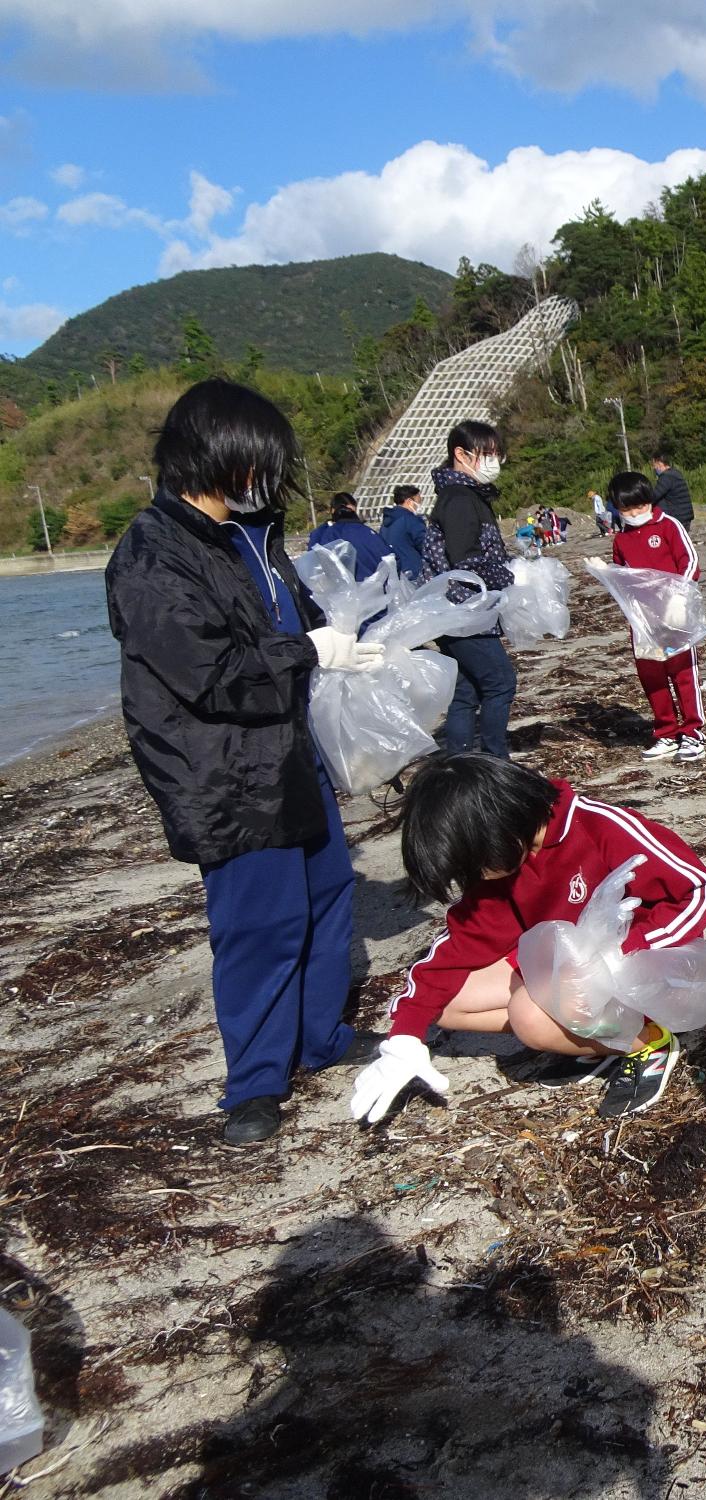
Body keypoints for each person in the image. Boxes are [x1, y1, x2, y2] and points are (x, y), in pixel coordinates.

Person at [106, 379, 386, 1145]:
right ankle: (255, 1082)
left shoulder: (251, 535)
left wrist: (347, 644)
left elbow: (296, 620)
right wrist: (305, 651)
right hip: (224, 769)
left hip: (290, 748)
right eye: (255, 463)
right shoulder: (153, 551)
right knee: (260, 922)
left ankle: (319, 1036)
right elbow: (206, 670)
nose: (266, 479)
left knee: (328, 892)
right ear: (214, 456)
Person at [354, 754, 706, 1123]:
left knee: (529, 1016)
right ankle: (599, 1040)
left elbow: (699, 888)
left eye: (473, 862)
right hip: (568, 966)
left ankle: (648, 1041)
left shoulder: (599, 826)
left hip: (647, 970)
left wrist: (622, 954)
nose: (474, 875)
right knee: (447, 1003)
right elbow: (457, 947)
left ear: (497, 825)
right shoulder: (499, 868)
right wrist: (405, 1034)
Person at [421, 420, 518, 758]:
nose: (493, 461)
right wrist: (511, 576)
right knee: (500, 683)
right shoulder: (460, 498)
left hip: (454, 613)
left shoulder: (460, 495)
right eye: (485, 454)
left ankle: (460, 763)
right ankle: (495, 761)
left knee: (466, 691)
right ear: (459, 454)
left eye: (496, 454)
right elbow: (465, 559)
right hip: (464, 611)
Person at [606, 470, 705, 763]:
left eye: (640, 506)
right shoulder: (621, 540)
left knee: (683, 673)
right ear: (618, 509)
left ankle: (693, 733)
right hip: (642, 620)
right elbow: (621, 577)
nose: (635, 513)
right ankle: (666, 732)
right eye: (627, 509)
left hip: (674, 614)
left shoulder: (668, 526)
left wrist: (678, 596)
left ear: (650, 501)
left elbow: (691, 563)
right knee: (653, 677)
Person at [307, 492, 395, 580]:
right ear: (333, 510)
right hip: (344, 587)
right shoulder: (321, 534)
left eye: (352, 511)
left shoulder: (363, 531)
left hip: (361, 586)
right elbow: (315, 565)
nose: (349, 513)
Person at [379, 484, 427, 579]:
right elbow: (424, 545)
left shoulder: (386, 522)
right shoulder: (411, 520)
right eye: (418, 502)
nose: (419, 506)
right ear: (409, 501)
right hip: (413, 571)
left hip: (394, 571)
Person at [649, 447, 695, 529]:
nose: (654, 468)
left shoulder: (666, 477)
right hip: (683, 516)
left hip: (678, 518)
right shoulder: (675, 473)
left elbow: (654, 496)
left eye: (654, 464)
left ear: (659, 463)